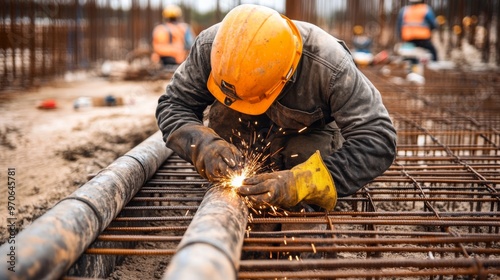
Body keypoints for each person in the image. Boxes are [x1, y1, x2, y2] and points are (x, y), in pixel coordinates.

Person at [156, 4, 397, 212]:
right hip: (240, 138)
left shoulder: (330, 66)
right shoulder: (213, 47)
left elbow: (378, 139)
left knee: (303, 158)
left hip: (305, 137)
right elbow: (174, 105)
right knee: (231, 165)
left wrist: (301, 183)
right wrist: (204, 147)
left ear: (287, 75)